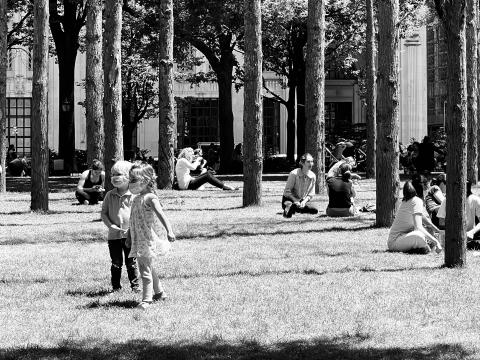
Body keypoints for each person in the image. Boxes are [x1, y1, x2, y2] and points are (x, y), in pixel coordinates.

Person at [127, 162, 176, 310]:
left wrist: (169, 231)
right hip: (138, 239)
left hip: (146, 240)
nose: (130, 183)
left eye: (134, 180)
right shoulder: (135, 199)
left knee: (144, 269)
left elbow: (161, 215)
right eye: (130, 179)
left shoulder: (150, 198)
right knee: (147, 266)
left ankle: (147, 300)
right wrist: (129, 237)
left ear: (146, 180)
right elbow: (132, 221)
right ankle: (160, 293)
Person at [101, 160, 139, 292]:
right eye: (113, 174)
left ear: (128, 176)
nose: (115, 177)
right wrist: (110, 225)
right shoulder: (109, 195)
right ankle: (116, 287)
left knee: (131, 262)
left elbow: (138, 214)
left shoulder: (134, 196)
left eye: (119, 174)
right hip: (114, 237)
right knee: (116, 263)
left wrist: (133, 228)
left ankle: (135, 287)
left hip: (130, 236)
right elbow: (104, 213)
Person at [388, 181, 443, 254]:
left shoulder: (408, 201)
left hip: (399, 239)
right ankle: (425, 247)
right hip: (396, 242)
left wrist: (436, 229)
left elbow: (422, 218)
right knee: (420, 236)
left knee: (426, 231)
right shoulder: (417, 201)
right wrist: (436, 242)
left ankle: (423, 246)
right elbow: (418, 227)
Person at [438, 181, 480, 250]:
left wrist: (471, 232)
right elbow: (441, 222)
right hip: (452, 235)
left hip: (470, 235)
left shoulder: (475, 199)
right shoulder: (447, 200)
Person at [282, 153, 318, 218]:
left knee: (314, 210)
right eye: (308, 162)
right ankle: (289, 208)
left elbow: (311, 193)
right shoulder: (294, 174)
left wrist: (304, 201)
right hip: (290, 199)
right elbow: (287, 192)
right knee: (289, 204)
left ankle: (296, 208)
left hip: (302, 200)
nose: (311, 164)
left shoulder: (313, 176)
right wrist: (295, 200)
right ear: (302, 163)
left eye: (312, 161)